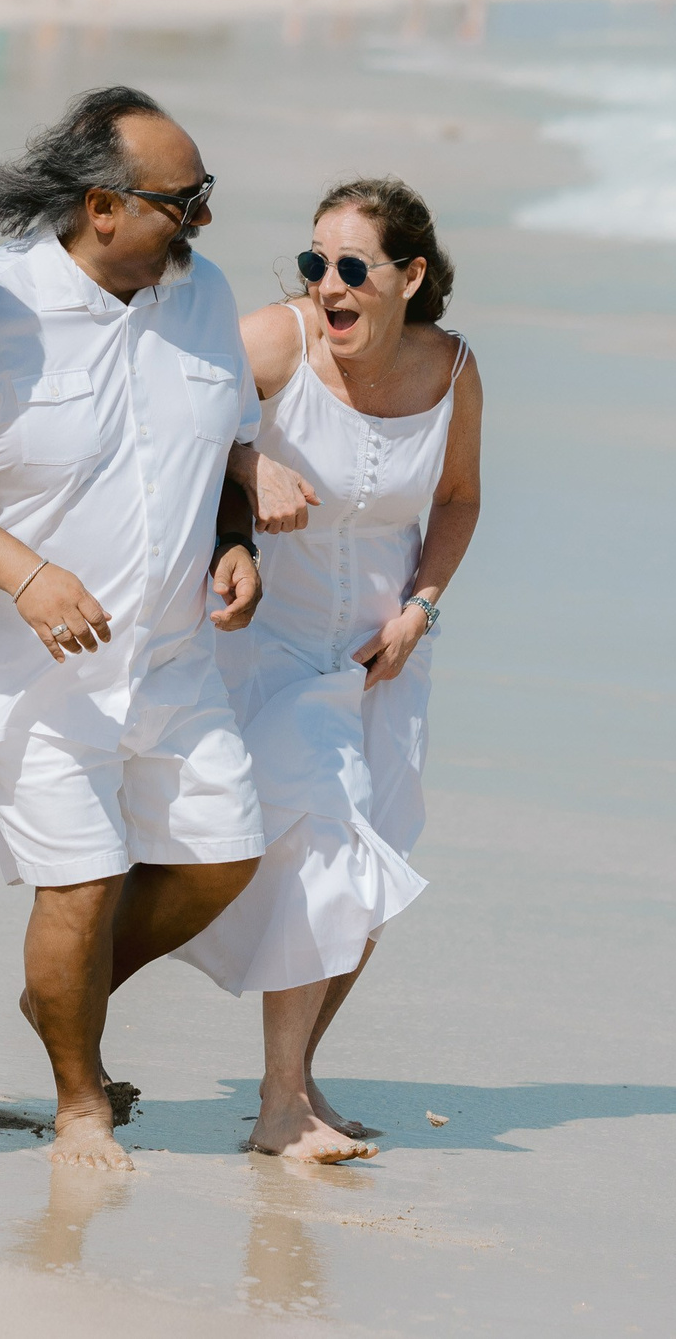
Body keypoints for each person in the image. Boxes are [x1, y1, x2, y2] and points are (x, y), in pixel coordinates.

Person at [0, 86, 267, 1172]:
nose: (203, 221)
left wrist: (236, 538)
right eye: (183, 201)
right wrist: (27, 576)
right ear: (102, 207)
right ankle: (80, 1104)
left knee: (222, 858)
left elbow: (226, 446)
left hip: (173, 656)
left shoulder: (204, 295)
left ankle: (61, 993)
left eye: (204, 195)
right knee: (84, 882)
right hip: (28, 672)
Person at [172, 177, 476, 1160]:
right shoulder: (275, 342)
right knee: (323, 854)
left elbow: (459, 500)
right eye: (314, 263)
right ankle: (277, 1103)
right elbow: (171, 417)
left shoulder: (451, 368)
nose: (327, 285)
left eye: (351, 267)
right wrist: (249, 465)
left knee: (369, 880)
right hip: (270, 647)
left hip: (382, 664)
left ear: (409, 277)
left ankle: (296, 1082)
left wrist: (422, 608)